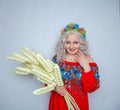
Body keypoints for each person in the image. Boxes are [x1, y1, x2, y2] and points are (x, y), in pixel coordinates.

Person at [48, 23, 100, 110]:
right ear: (63, 44)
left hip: (79, 104)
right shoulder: (57, 59)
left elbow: (91, 88)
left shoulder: (88, 60)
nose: (71, 47)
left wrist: (86, 66)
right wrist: (55, 88)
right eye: (68, 42)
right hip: (59, 103)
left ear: (81, 43)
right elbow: (47, 79)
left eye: (76, 42)